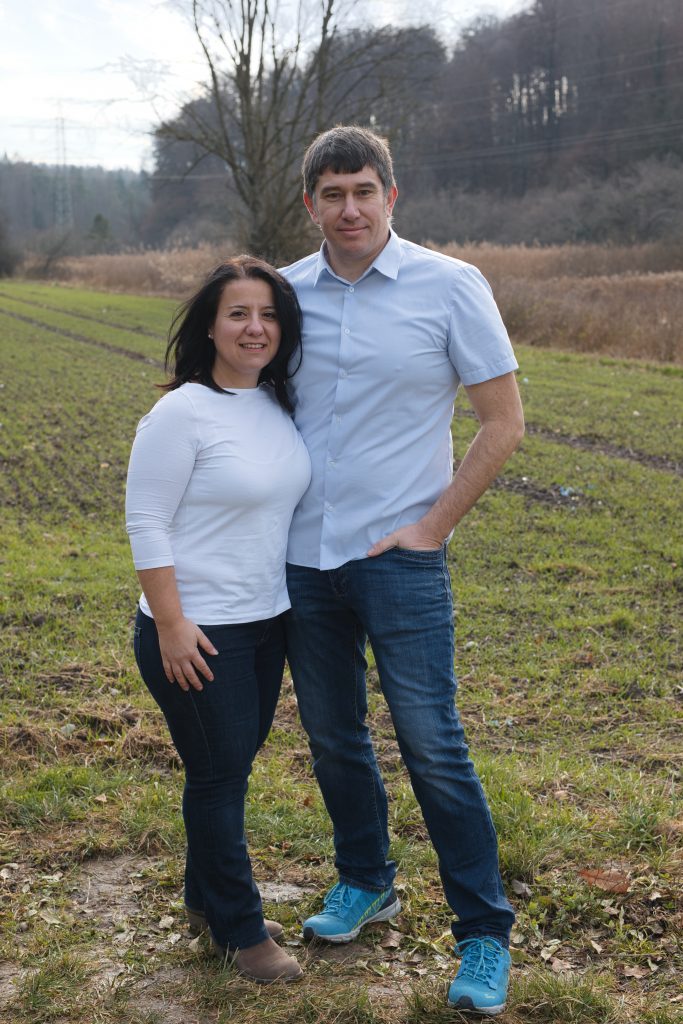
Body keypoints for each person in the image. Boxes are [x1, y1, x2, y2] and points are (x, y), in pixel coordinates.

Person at [281, 126, 525, 1015]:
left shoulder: (450, 285)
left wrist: (430, 528)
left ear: (391, 195)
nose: (349, 209)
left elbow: (502, 421)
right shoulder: (282, 294)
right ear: (310, 204)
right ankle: (365, 880)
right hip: (301, 560)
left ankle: (482, 932)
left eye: (363, 191)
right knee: (332, 735)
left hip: (399, 560)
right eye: (332, 194)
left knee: (431, 741)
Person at [125, 256, 311, 984]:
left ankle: (205, 899)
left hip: (265, 622)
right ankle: (240, 930)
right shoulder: (181, 412)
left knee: (225, 768)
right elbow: (146, 520)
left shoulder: (273, 401)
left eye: (267, 315)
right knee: (218, 776)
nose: (254, 328)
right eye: (238, 313)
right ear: (210, 325)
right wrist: (171, 625)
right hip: (197, 630)